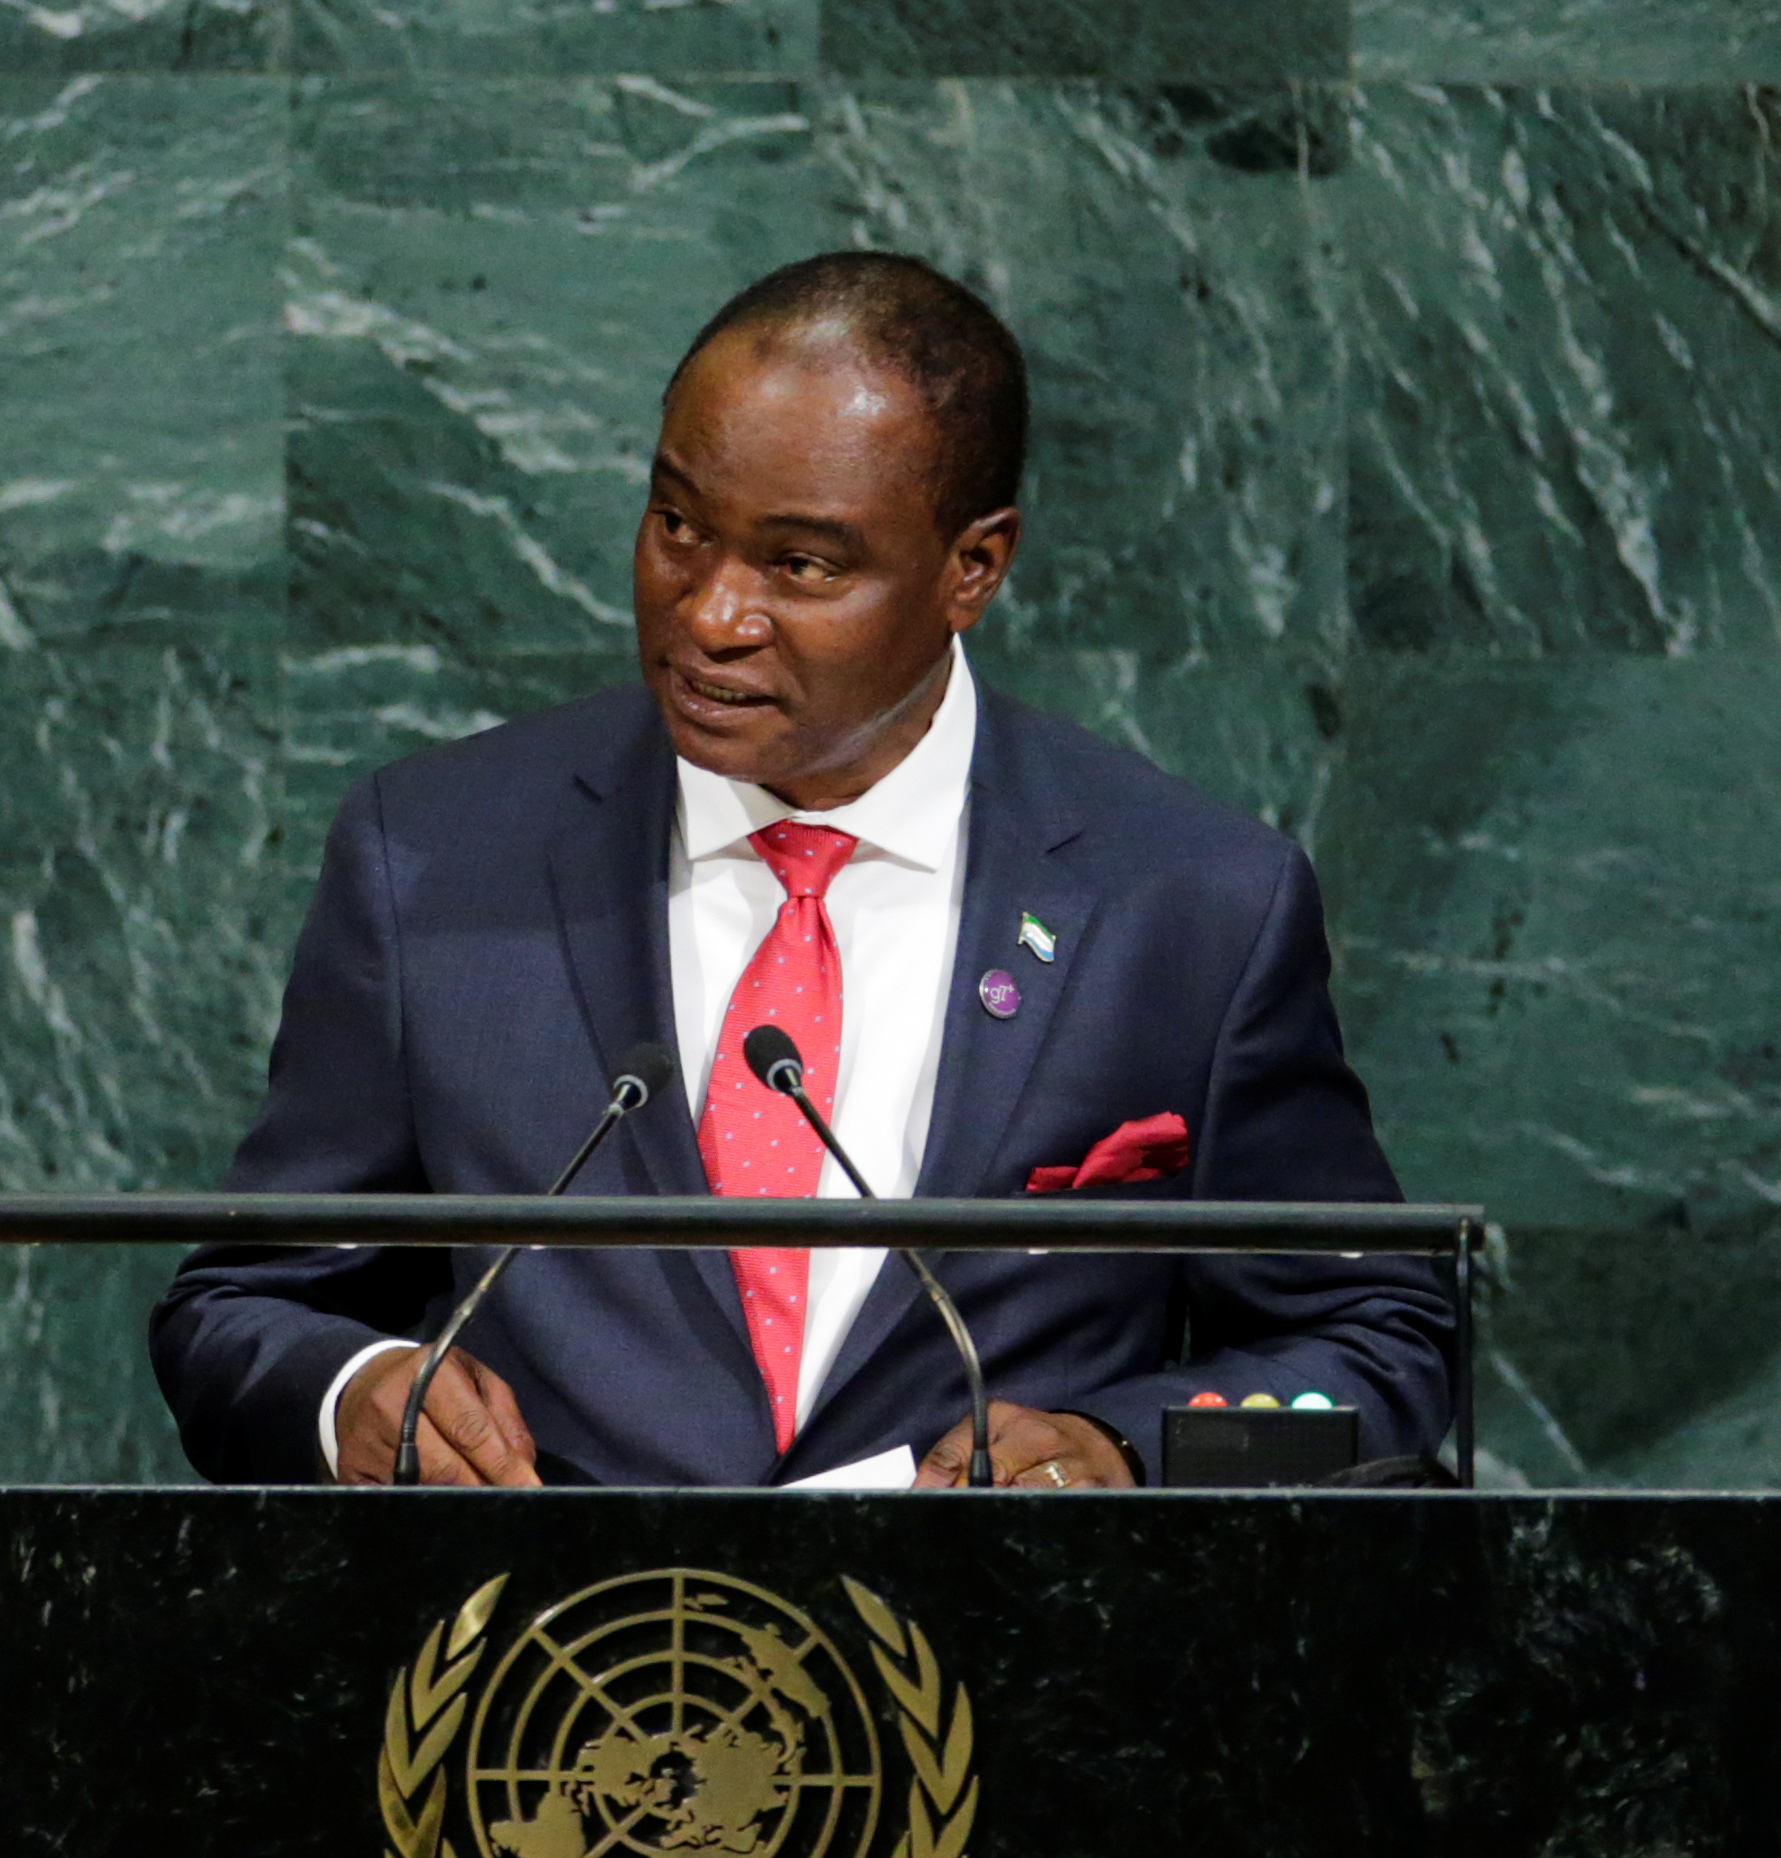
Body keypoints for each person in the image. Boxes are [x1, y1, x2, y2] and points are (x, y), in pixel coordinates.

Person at [151, 252, 1452, 1490]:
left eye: (800, 564)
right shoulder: (433, 857)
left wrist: (1126, 1454)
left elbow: (1385, 1356)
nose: (710, 612)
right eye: (677, 525)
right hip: (554, 1689)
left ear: (972, 568)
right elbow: (234, 1313)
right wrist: (352, 1390)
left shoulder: (1191, 906)